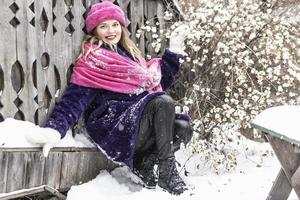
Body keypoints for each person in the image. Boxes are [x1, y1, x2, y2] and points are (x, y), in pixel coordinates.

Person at [25, 1, 193, 195]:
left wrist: (174, 49)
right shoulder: (93, 61)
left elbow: (159, 79)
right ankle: (168, 174)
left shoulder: (131, 57)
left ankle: (144, 163)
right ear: (94, 31)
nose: (110, 30)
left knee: (183, 128)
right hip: (114, 129)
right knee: (162, 102)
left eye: (114, 24)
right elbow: (73, 101)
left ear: (121, 27)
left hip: (137, 124)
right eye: (103, 26)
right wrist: (54, 129)